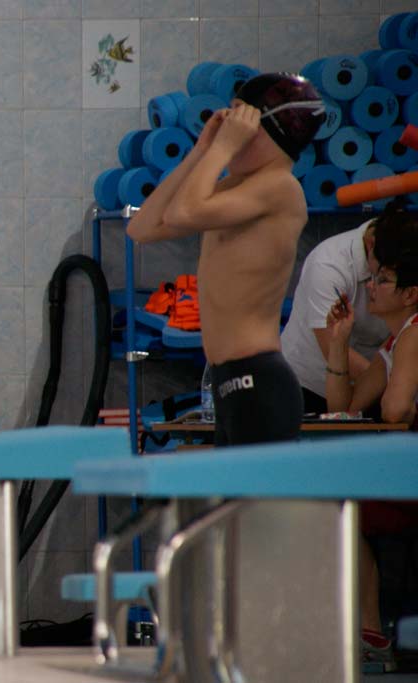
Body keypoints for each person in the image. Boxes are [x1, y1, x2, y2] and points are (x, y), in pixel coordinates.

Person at [127, 72, 326, 446]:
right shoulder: (237, 187)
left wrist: (219, 150)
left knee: (253, 487)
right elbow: (143, 227)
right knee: (232, 487)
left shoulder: (280, 188)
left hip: (258, 379)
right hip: (228, 380)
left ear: (267, 132)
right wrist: (201, 151)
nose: (228, 132)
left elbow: (185, 212)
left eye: (239, 122)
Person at [325, 208, 418, 665]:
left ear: (411, 293)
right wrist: (338, 343)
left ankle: (369, 627)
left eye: (383, 280)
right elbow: (345, 407)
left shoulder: (415, 334)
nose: (371, 287)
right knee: (335, 497)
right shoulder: (394, 342)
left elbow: (395, 409)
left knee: (335, 503)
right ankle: (369, 627)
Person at [281, 208, 400, 415]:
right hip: (307, 385)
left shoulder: (407, 335)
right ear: (371, 244)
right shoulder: (328, 264)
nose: (370, 286)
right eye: (380, 277)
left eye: (384, 280)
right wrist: (385, 385)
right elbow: (341, 411)